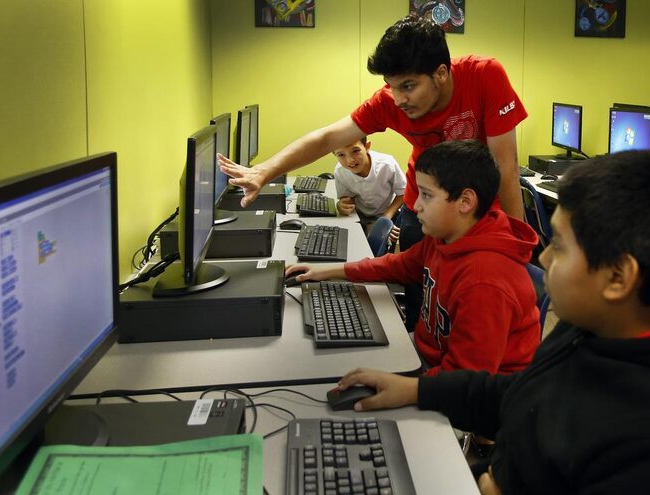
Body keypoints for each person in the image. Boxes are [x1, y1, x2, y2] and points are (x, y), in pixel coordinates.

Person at [334, 150, 650, 494]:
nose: (542, 258)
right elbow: (523, 393)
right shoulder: (598, 325)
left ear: (618, 278)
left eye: (559, 247)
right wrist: (417, 388)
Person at [219, 15, 528, 332]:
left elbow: (505, 167)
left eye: (408, 86)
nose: (398, 99)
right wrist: (264, 172)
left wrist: (517, 247)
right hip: (424, 206)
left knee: (480, 307)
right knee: (424, 304)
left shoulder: (484, 75)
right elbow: (328, 138)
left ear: (441, 73)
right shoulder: (390, 102)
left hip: (477, 210)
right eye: (391, 87)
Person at [287, 140, 540, 375]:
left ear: (465, 201)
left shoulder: (486, 281)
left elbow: (467, 378)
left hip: (464, 389)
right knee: (330, 362)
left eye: (426, 195)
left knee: (340, 374)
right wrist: (326, 271)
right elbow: (398, 264)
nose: (415, 205)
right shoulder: (444, 236)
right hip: (427, 352)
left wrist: (406, 388)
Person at [332, 137, 406, 237]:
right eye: (341, 155)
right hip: (359, 215)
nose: (350, 160)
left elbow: (403, 193)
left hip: (388, 213)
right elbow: (348, 199)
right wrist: (341, 206)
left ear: (367, 146)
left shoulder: (387, 164)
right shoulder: (340, 171)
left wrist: (386, 218)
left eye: (355, 151)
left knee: (381, 244)